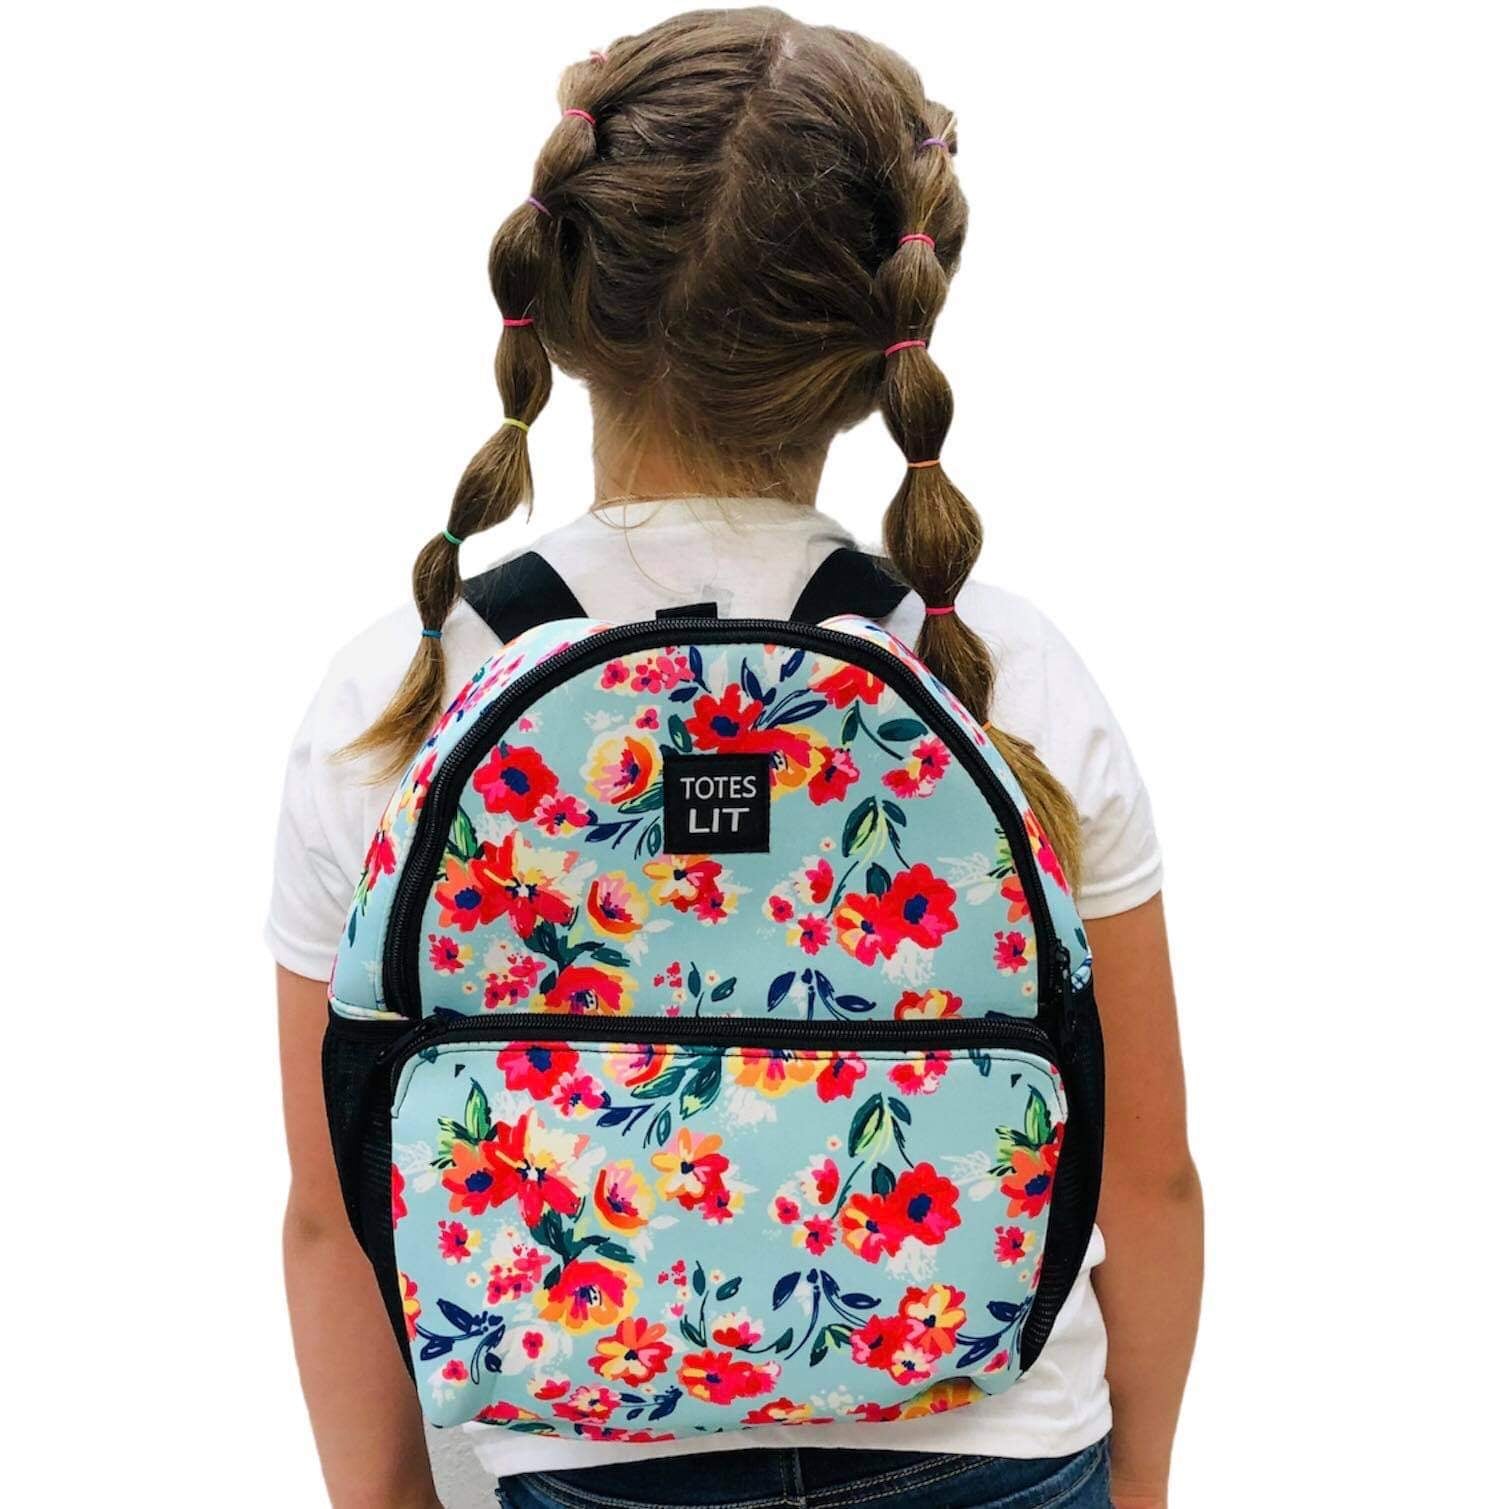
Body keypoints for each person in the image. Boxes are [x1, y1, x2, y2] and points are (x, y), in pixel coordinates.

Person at [267, 10, 1202, 1508]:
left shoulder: (402, 687)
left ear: (562, 299)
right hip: (1001, 1439)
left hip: (592, 1456)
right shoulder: (1005, 670)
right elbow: (1147, 1178)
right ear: (882, 343)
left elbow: (335, 1216)